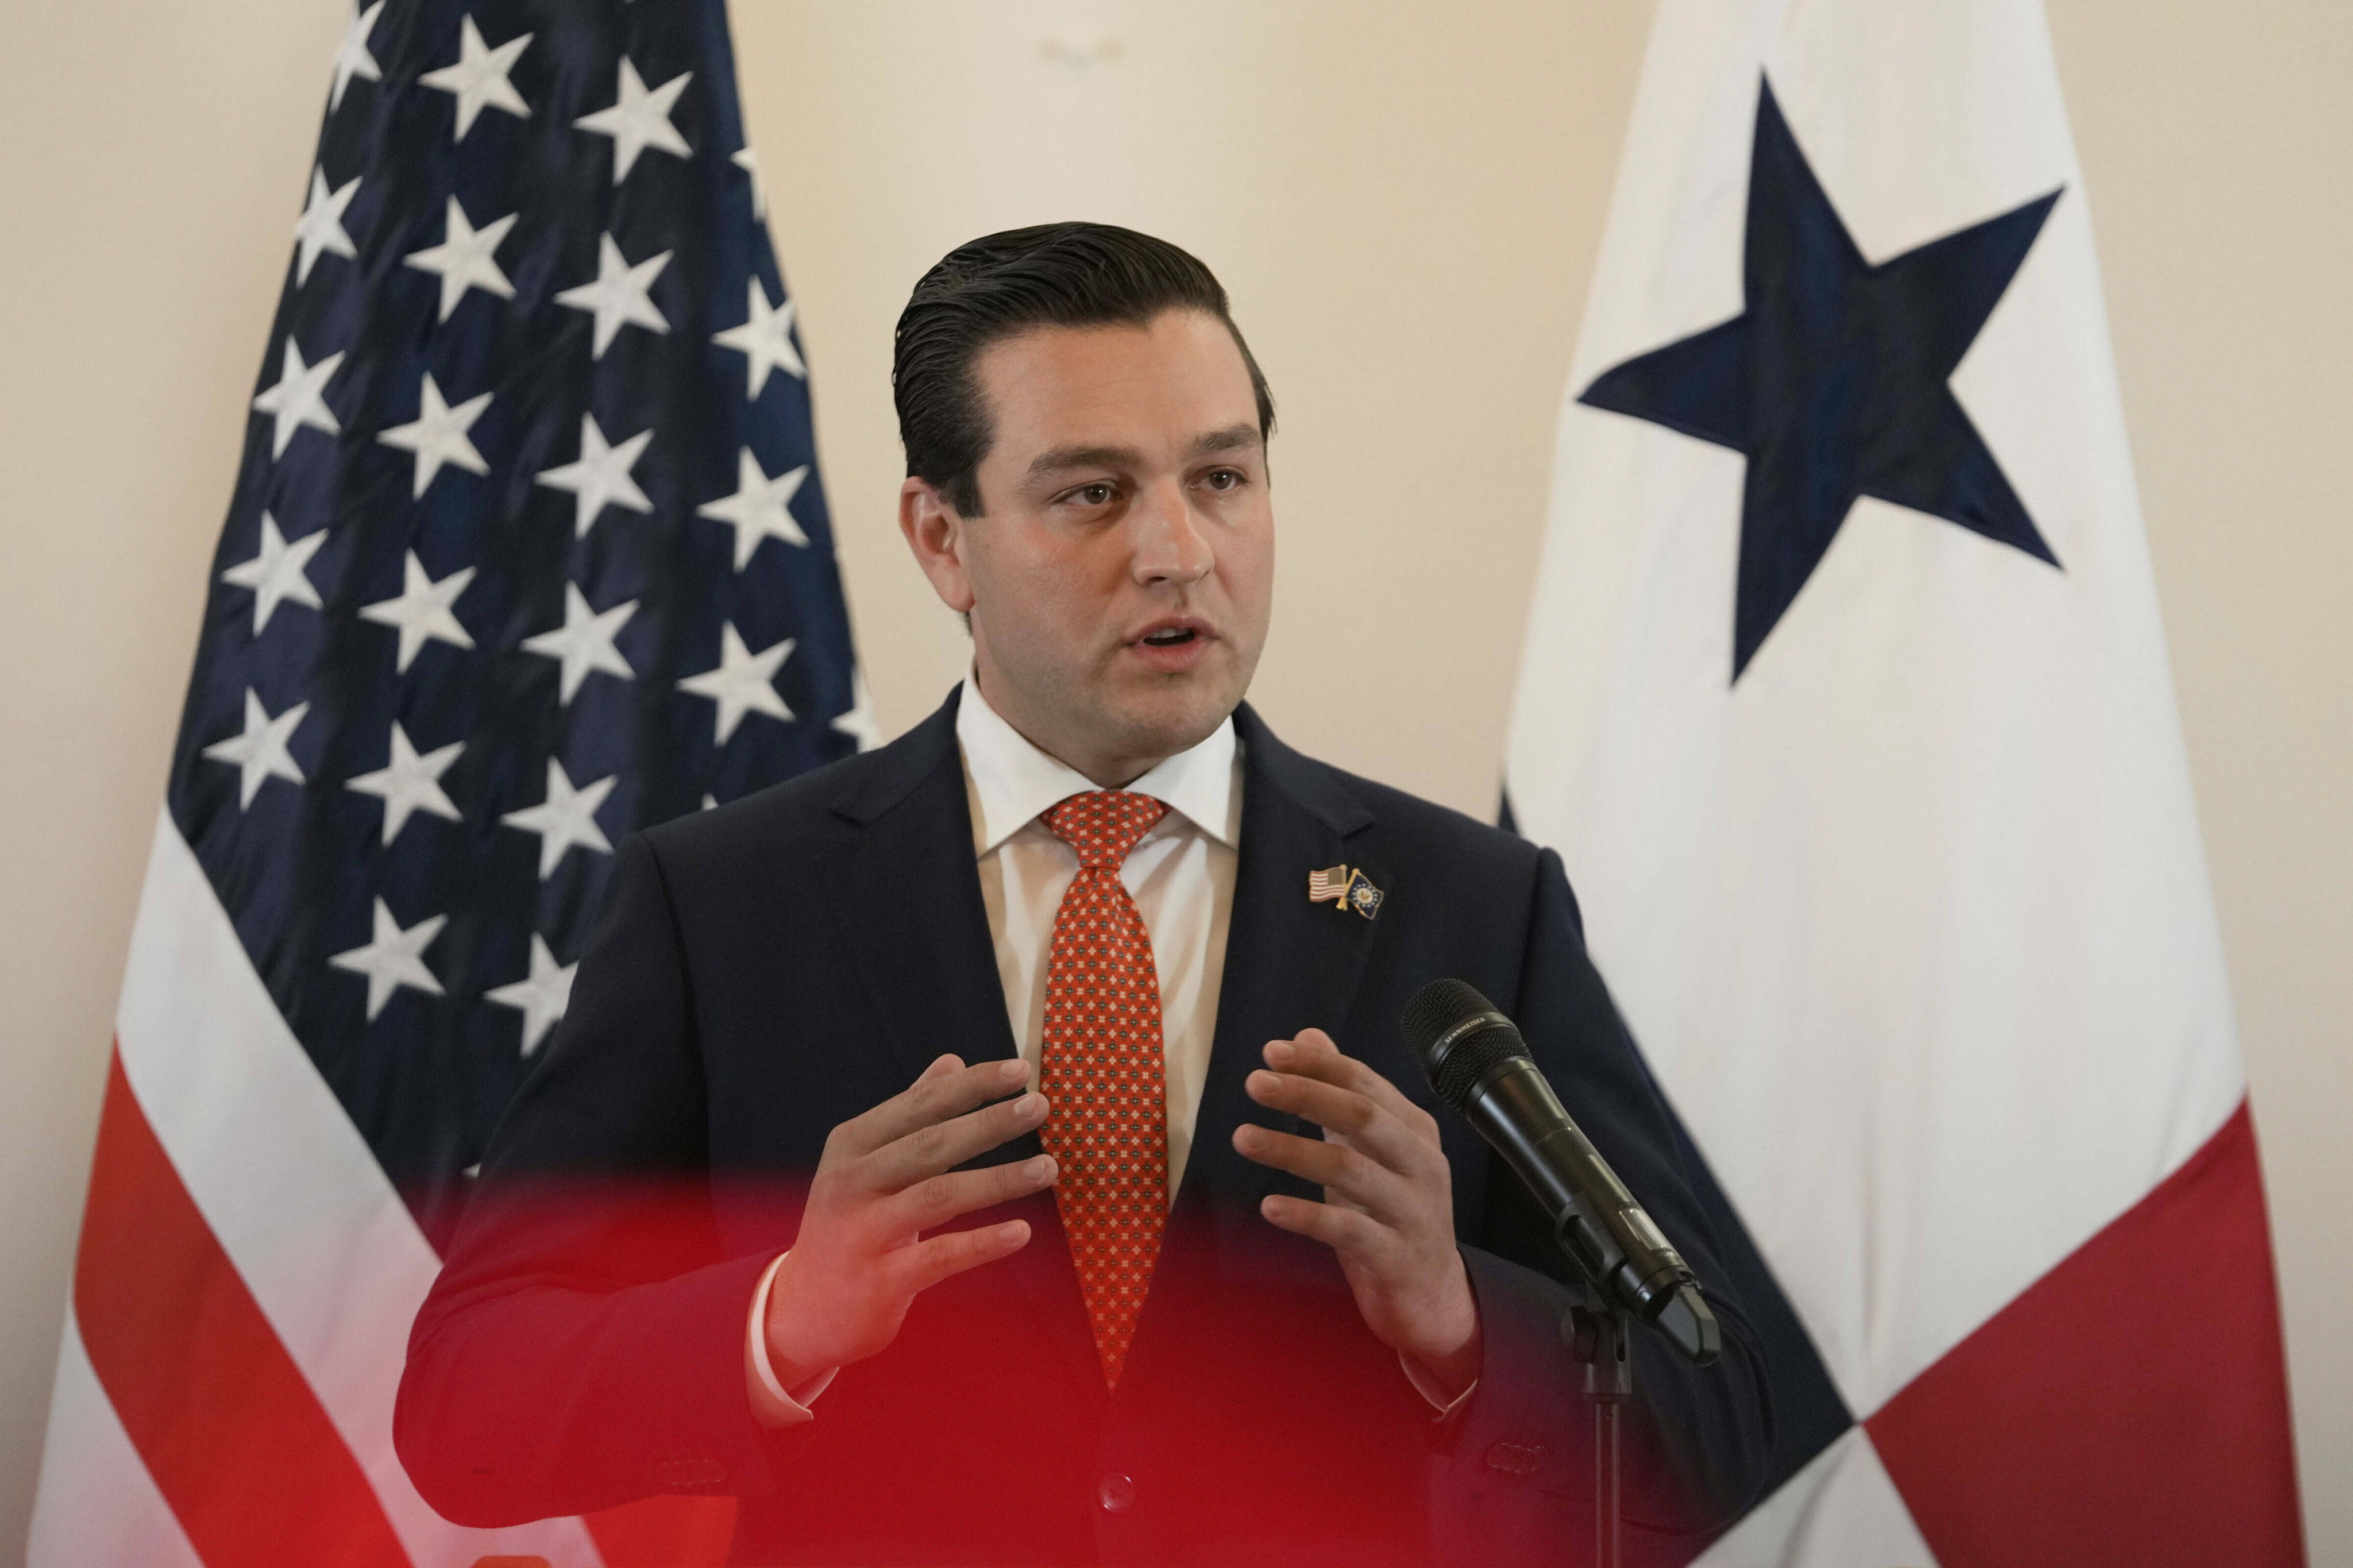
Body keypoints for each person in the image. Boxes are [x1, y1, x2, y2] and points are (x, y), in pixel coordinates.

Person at [397, 222, 1773, 1566]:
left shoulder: (1472, 909)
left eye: (1221, 478)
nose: (1178, 550)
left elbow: (1727, 1406)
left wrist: (1460, 1319)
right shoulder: (721, 905)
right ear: (943, 541)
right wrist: (783, 1315)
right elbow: (466, 1403)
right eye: (1092, 493)